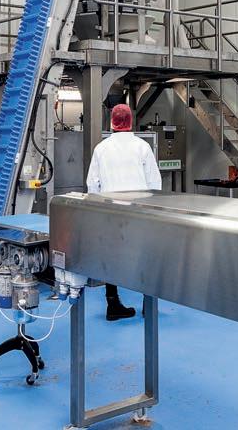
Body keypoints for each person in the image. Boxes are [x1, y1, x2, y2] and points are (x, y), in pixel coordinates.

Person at [86, 103, 162, 321]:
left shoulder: (101, 148)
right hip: (139, 211)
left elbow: (92, 184)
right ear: (131, 122)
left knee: (111, 256)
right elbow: (154, 183)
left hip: (110, 211)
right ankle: (148, 304)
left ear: (112, 122)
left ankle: (113, 304)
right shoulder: (142, 147)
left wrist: (98, 208)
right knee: (146, 255)